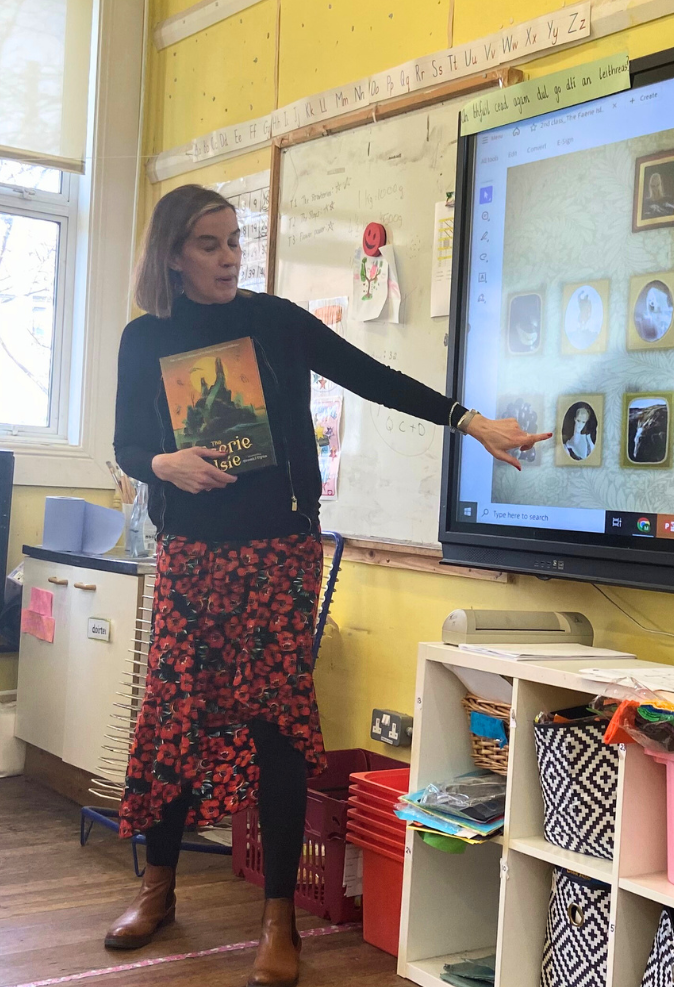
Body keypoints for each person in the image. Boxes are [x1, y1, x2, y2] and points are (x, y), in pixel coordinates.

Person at [107, 185, 545, 987]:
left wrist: (470, 421)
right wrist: (162, 463)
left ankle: (281, 922)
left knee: (276, 726)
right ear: (172, 254)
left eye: (234, 239)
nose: (229, 255)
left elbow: (370, 374)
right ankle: (158, 886)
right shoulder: (147, 338)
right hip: (190, 557)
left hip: (278, 552)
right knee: (175, 715)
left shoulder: (273, 321)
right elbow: (130, 445)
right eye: (208, 244)